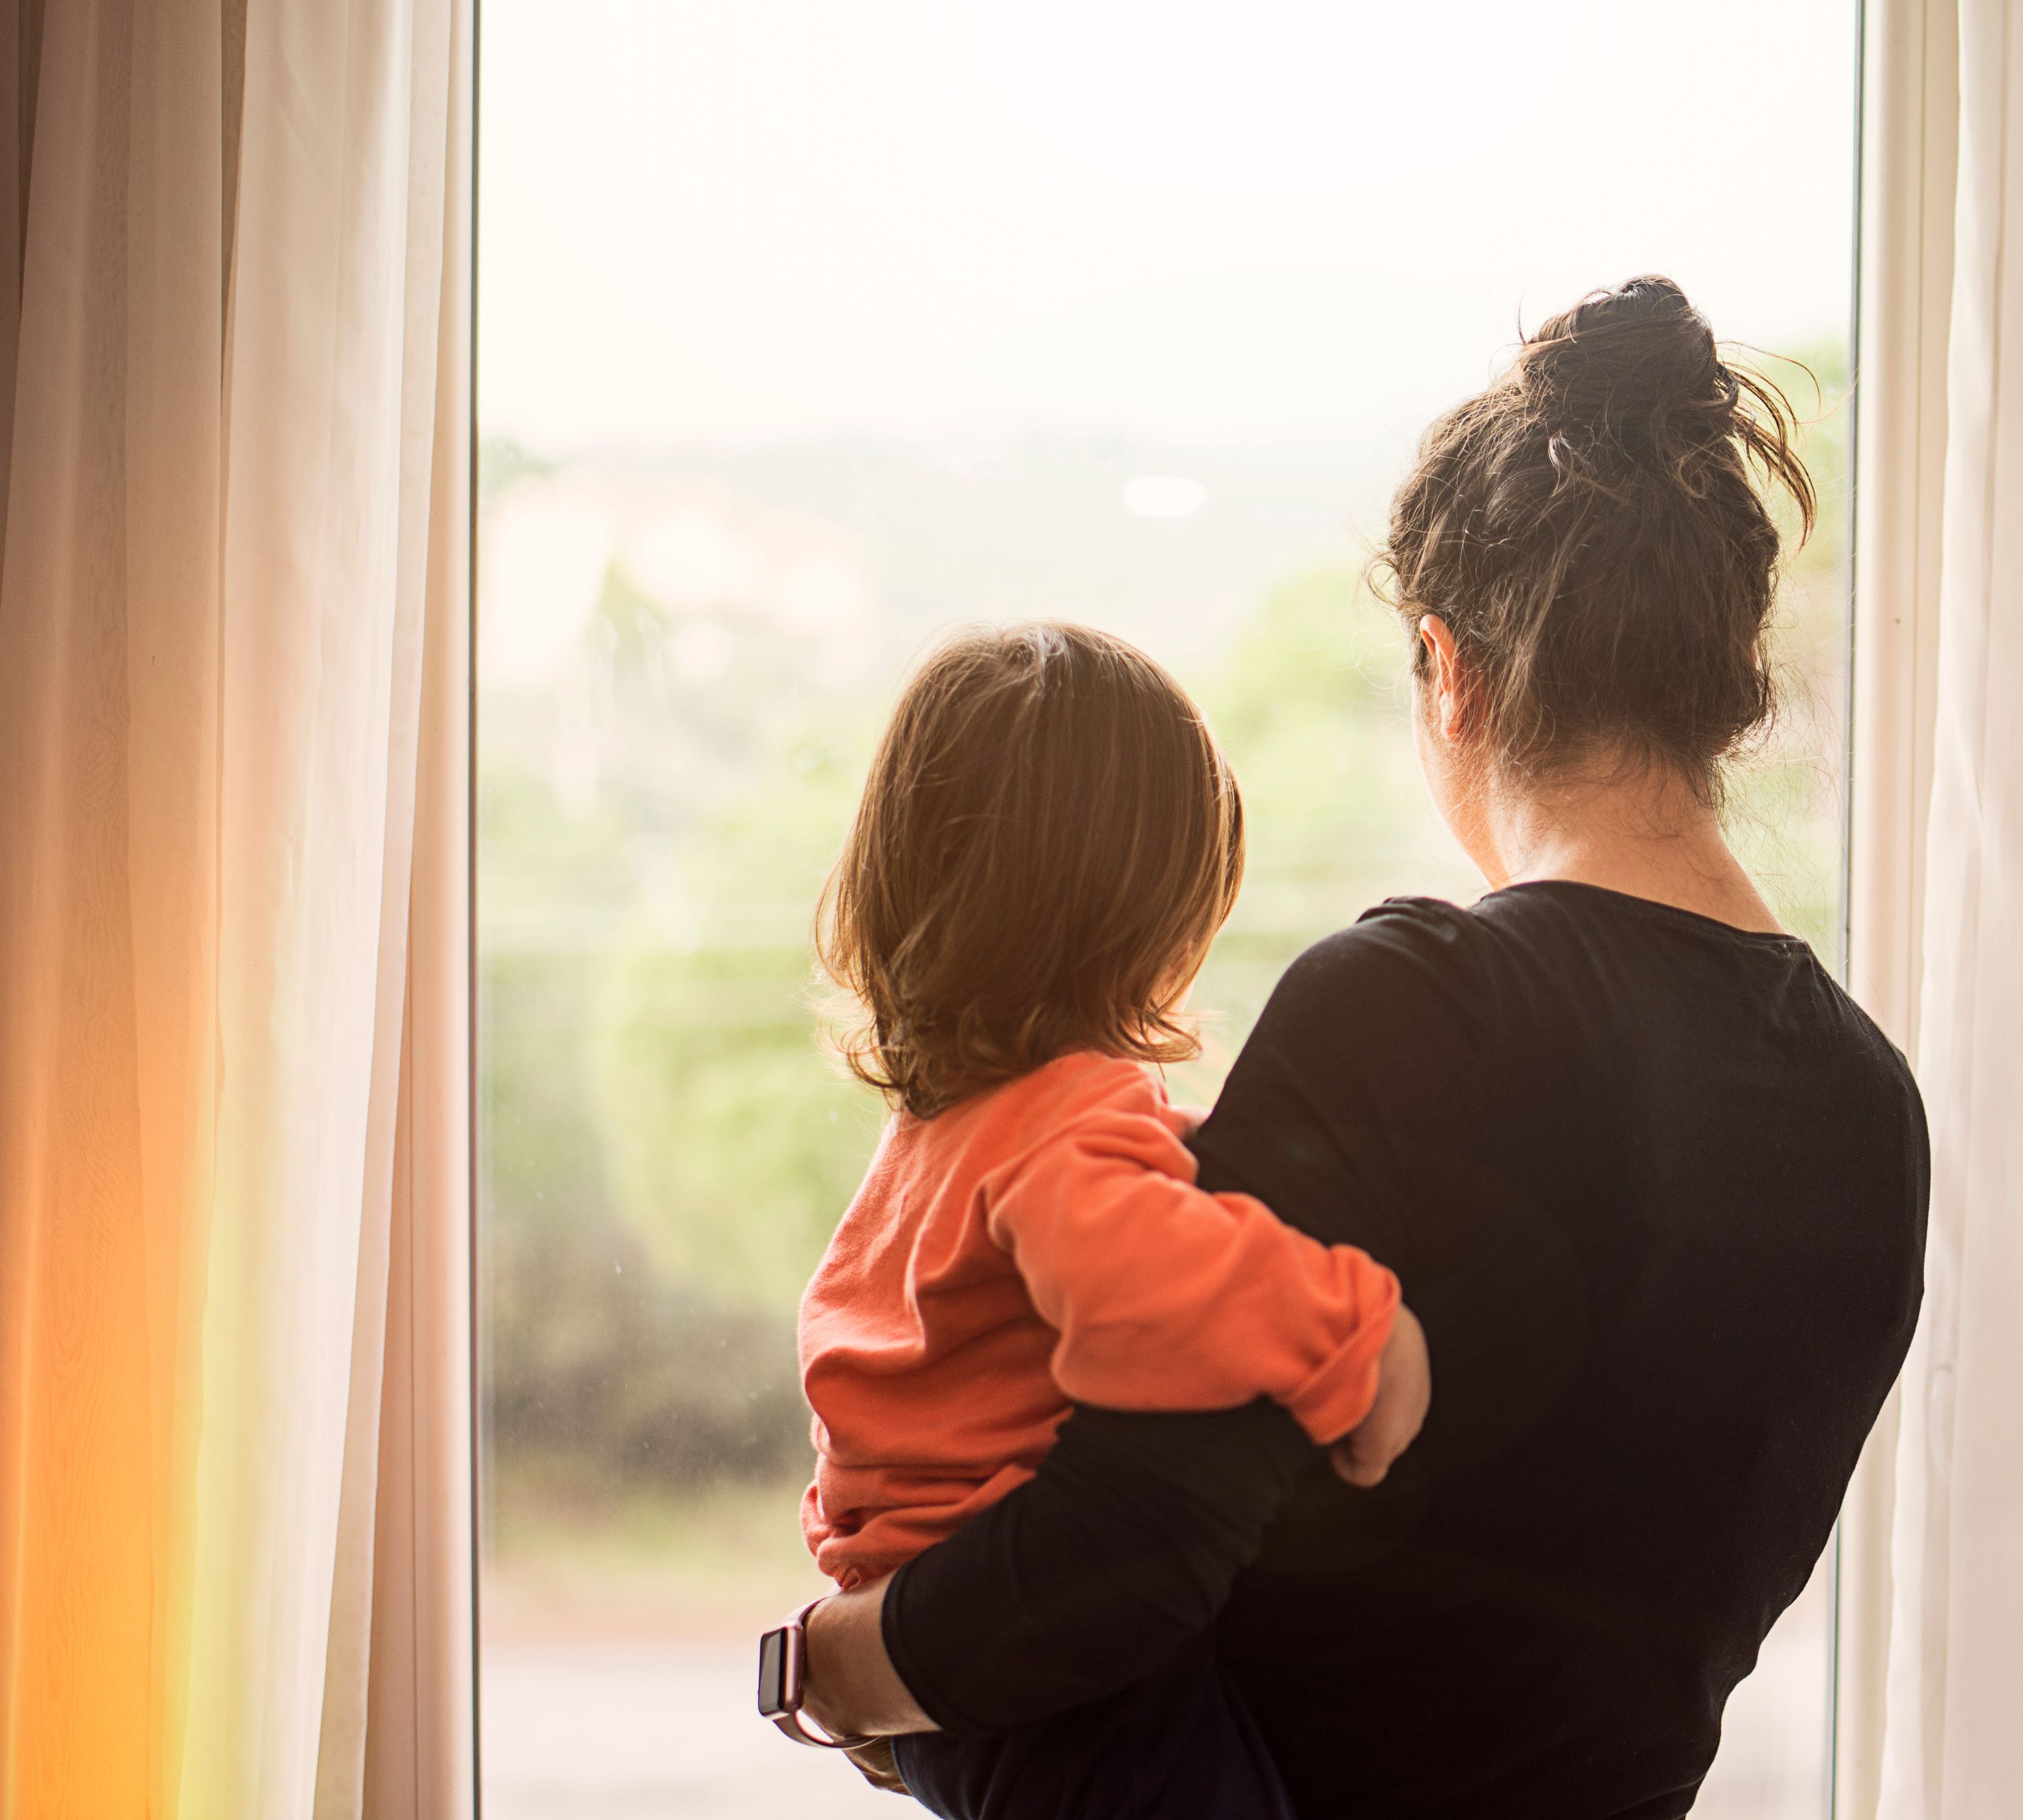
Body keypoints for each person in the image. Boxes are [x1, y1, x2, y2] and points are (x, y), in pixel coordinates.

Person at [798, 276, 1931, 1820]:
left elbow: (1124, 1544)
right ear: (1714, 679)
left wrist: (831, 1662)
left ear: (1446, 668)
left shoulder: (1418, 1006)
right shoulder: (1869, 1110)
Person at [787, 623, 1431, 1810]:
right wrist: (1356, 1332)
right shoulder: (1066, 1126)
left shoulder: (940, 1135)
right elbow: (1166, 1289)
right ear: (1147, 925)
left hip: (946, 1679)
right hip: (1065, 1690)